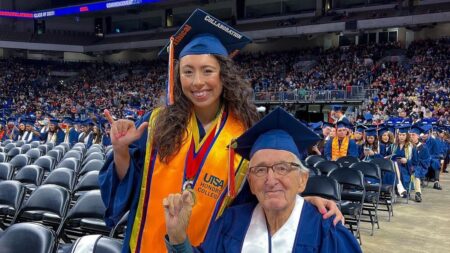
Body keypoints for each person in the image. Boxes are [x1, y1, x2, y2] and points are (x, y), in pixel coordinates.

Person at [99, 9, 343, 253]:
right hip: (144, 246)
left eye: (207, 70)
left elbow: (257, 196)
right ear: (177, 76)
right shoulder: (155, 123)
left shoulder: (245, 132)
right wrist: (121, 152)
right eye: (187, 71)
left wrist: (303, 203)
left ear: (223, 75)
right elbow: (128, 190)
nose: (197, 82)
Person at [163, 108, 362, 253]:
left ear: (302, 180)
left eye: (283, 168)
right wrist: (178, 238)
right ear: (250, 181)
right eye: (260, 170)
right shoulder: (231, 222)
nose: (270, 179)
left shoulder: (327, 231)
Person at [391, 125, 416, 198]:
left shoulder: (411, 147)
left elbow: (415, 162)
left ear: (407, 136)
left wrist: (407, 161)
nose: (401, 136)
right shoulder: (393, 146)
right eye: (400, 135)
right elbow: (389, 157)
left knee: (400, 171)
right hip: (393, 166)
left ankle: (397, 189)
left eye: (403, 135)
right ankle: (399, 189)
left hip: (405, 168)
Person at [408, 125, 430, 202]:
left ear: (418, 136)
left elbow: (426, 160)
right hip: (407, 165)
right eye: (410, 135)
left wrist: (416, 162)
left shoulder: (423, 147)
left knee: (415, 173)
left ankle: (418, 193)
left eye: (413, 135)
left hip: (419, 166)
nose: (411, 136)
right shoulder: (407, 145)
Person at [421, 125, 443, 190]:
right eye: (423, 134)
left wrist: (429, 157)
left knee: (436, 162)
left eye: (426, 134)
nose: (424, 135)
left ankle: (436, 182)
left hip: (431, 158)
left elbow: (436, 154)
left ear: (429, 134)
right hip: (420, 159)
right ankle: (421, 179)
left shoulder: (433, 141)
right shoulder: (418, 141)